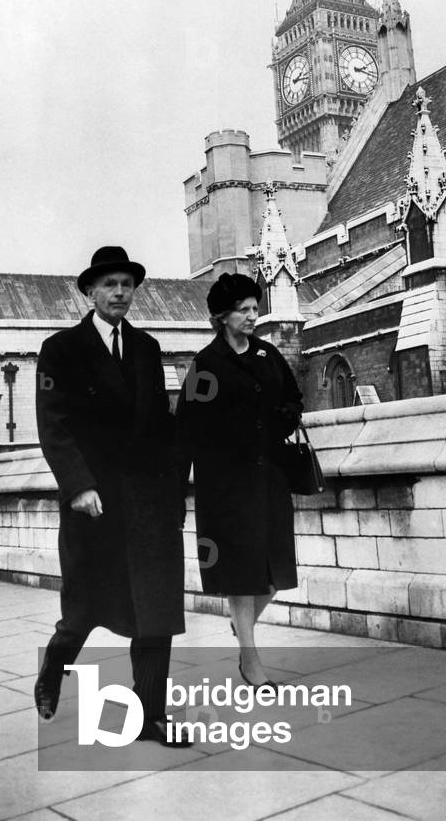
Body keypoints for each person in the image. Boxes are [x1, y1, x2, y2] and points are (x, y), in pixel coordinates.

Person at [34, 246, 190, 747]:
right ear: (90, 292)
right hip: (93, 501)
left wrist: (175, 484)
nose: (120, 292)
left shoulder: (146, 348)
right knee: (84, 606)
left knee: (155, 606)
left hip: (148, 499)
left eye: (127, 284)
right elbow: (53, 426)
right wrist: (78, 485)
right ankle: (54, 666)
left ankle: (150, 716)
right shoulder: (61, 349)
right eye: (110, 285)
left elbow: (160, 422)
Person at [176, 272, 302, 689]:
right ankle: (250, 660)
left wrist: (281, 420)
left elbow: (293, 398)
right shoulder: (206, 365)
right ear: (222, 316)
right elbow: (186, 428)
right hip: (226, 487)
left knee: (275, 571)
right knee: (240, 573)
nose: (252, 316)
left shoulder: (267, 354)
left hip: (270, 479)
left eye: (254, 308)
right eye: (243, 310)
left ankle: (242, 628)